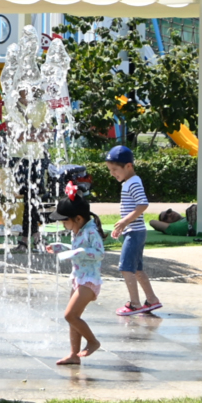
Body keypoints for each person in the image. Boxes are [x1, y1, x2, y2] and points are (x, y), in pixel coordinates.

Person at [48, 195, 105, 366]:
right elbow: (76, 249)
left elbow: (99, 253)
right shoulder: (79, 230)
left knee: (70, 315)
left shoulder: (91, 232)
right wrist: (61, 247)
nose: (64, 225)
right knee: (75, 318)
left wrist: (78, 252)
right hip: (78, 278)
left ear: (78, 218)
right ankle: (74, 354)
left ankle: (93, 341)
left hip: (89, 280)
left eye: (65, 221)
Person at [104, 146, 160, 316]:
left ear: (128, 166)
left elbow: (143, 204)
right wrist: (123, 226)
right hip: (135, 231)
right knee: (136, 269)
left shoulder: (133, 182)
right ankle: (152, 300)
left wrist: (126, 221)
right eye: (110, 170)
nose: (113, 173)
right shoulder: (130, 182)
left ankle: (134, 304)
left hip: (135, 231)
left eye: (115, 169)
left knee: (126, 267)